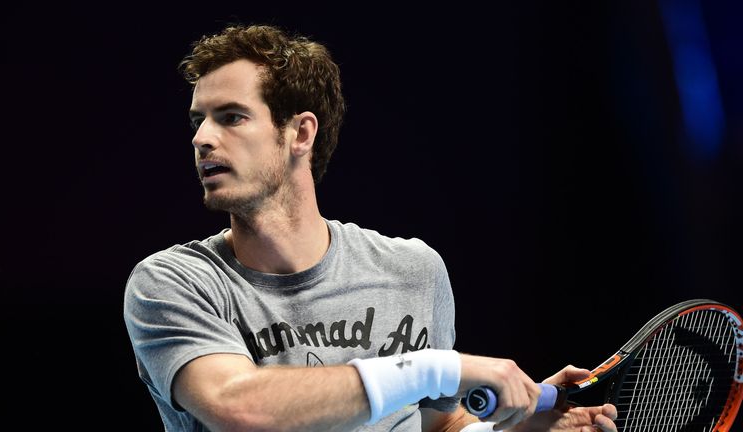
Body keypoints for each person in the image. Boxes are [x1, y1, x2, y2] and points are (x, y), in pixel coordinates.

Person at [123, 23, 617, 432]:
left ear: (300, 133)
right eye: (199, 121)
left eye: (231, 117)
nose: (203, 138)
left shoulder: (413, 270)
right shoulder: (171, 284)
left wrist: (512, 427)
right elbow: (238, 407)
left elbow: (436, 423)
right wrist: (437, 368)